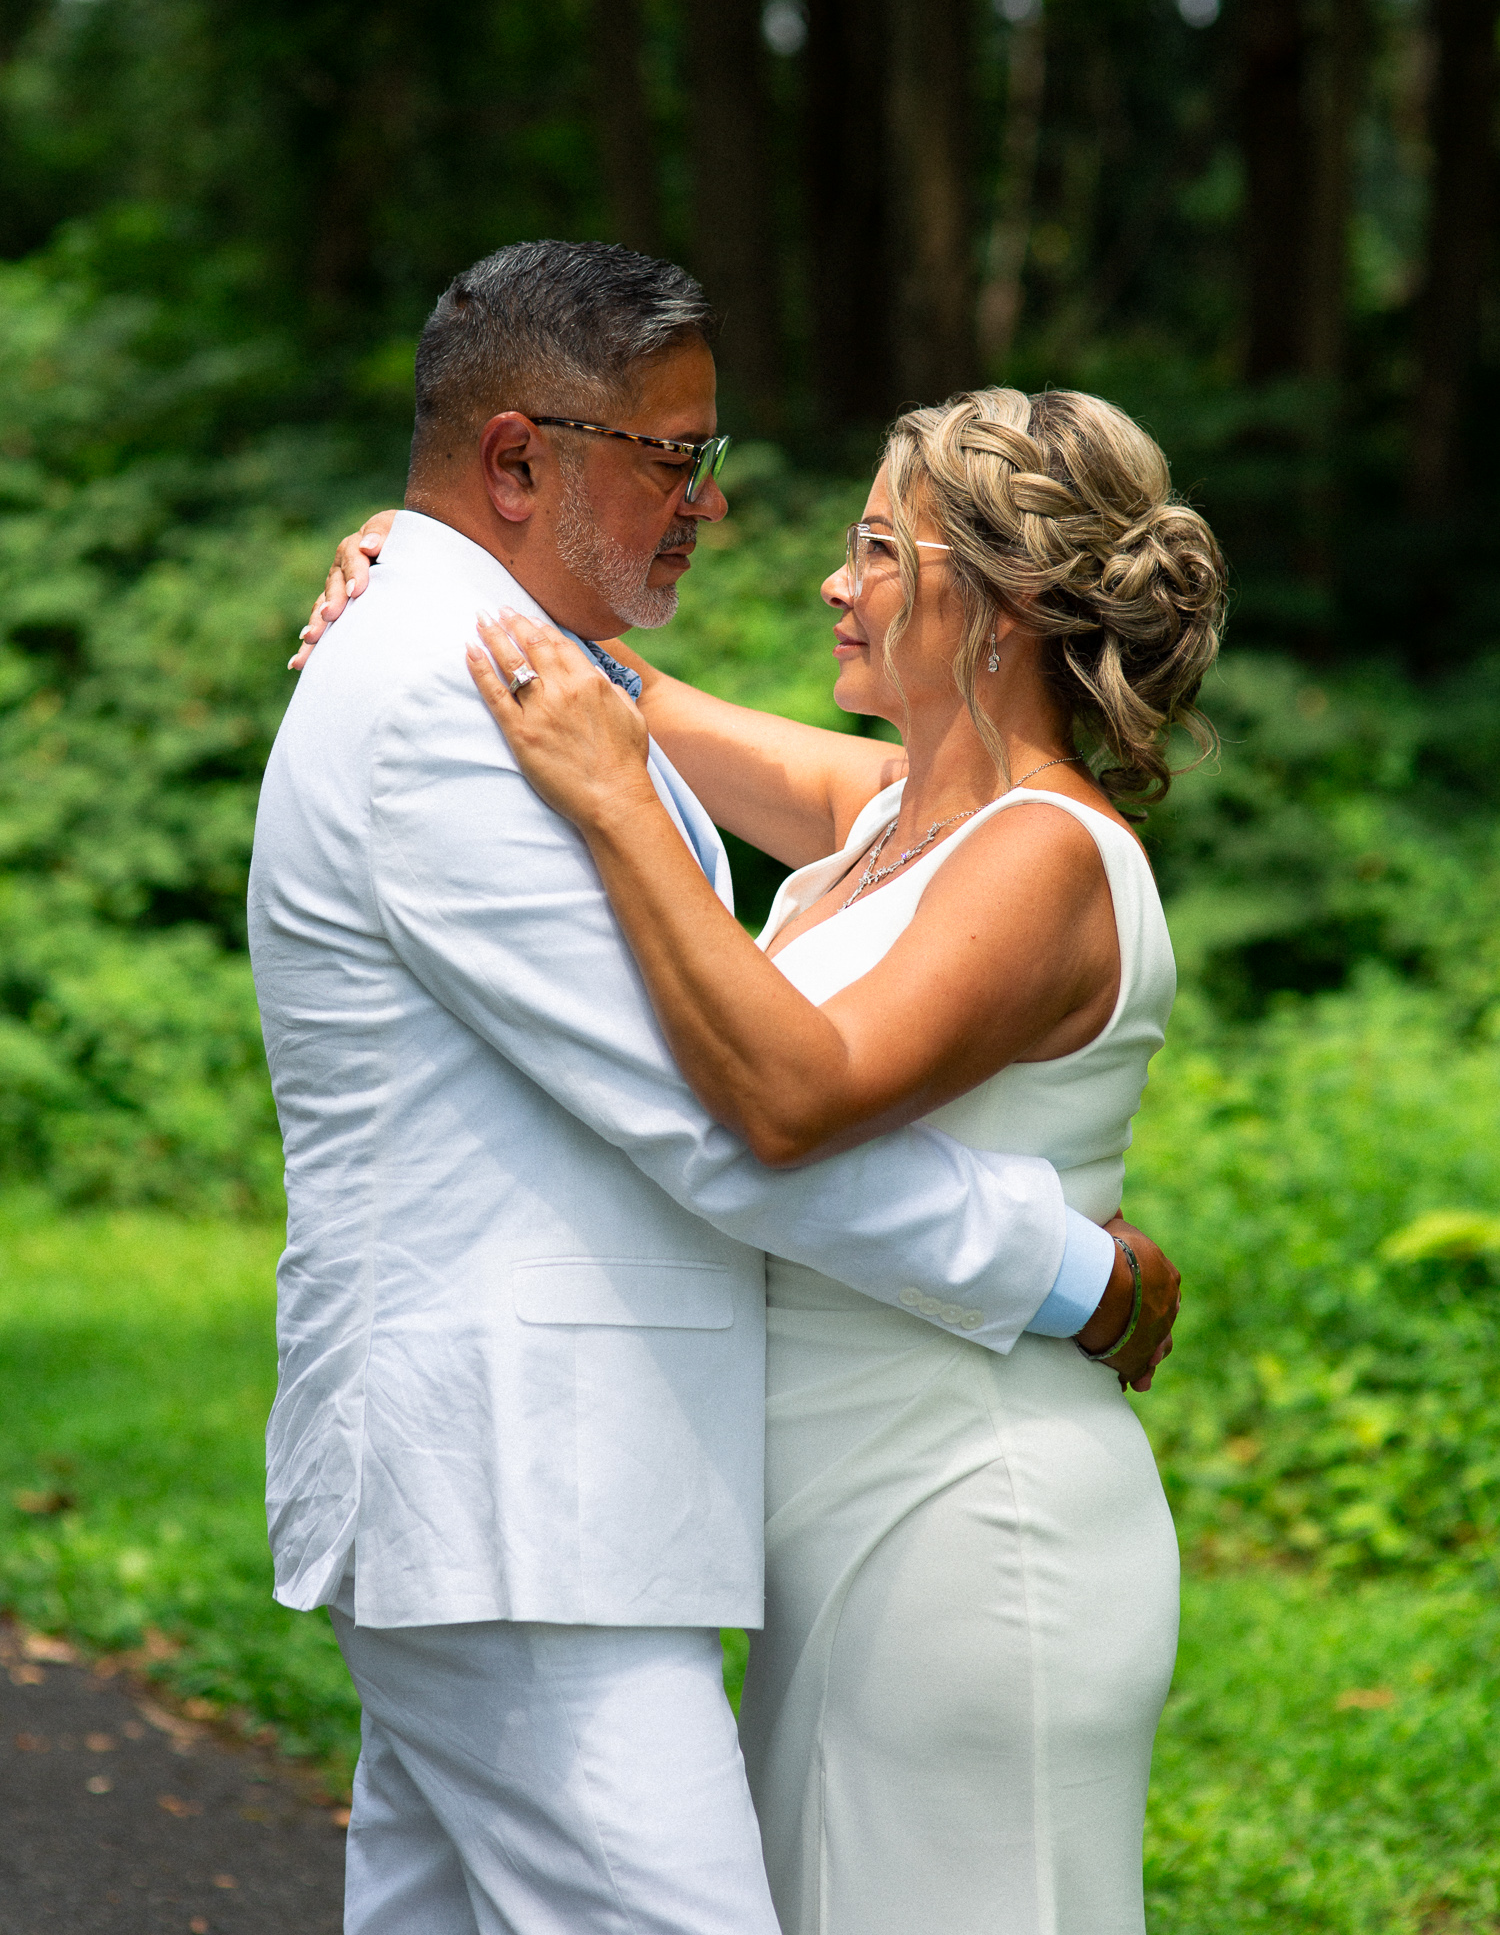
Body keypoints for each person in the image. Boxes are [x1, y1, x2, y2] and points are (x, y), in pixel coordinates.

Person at [255, 239, 1178, 1935]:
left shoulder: (986, 834)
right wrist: (1072, 1269)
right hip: (530, 1493)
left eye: (872, 546)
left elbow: (752, 1057)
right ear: (524, 459)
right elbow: (716, 1118)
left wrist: (452, 578)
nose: (728, 514)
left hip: (871, 1501)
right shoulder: (472, 696)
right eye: (674, 459)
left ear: (997, 606)